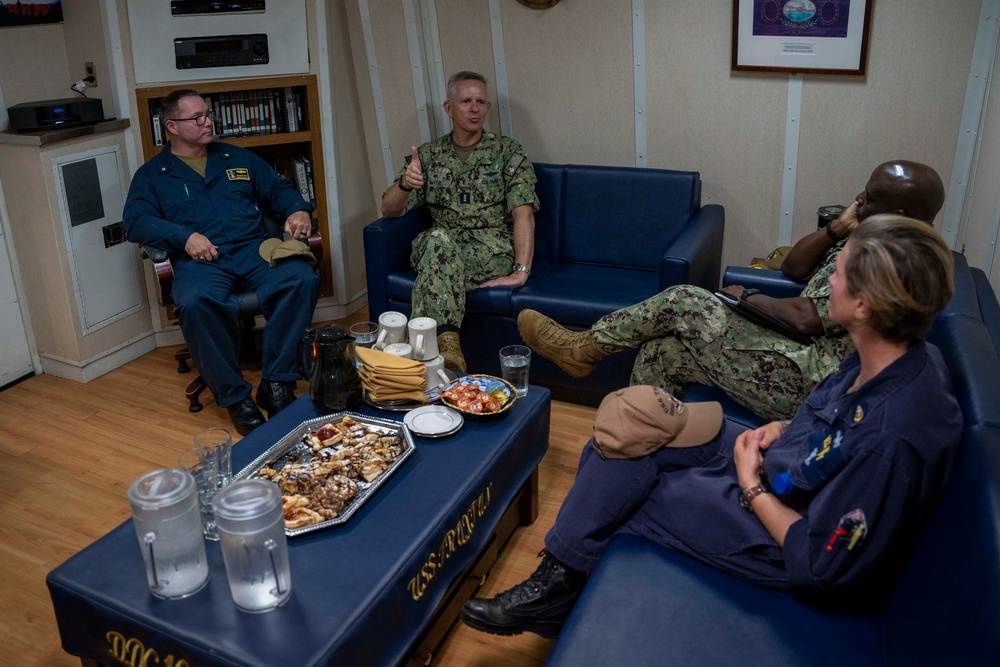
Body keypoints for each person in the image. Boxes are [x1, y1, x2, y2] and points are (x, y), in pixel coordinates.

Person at [462, 214, 961, 638]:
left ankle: (556, 586)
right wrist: (779, 430)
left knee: (632, 490)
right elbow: (824, 422)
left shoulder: (889, 441)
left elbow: (821, 563)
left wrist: (750, 485)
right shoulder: (888, 351)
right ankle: (557, 579)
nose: (828, 281)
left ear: (865, 305)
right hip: (775, 466)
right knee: (628, 428)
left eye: (841, 273)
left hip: (779, 525)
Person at [518, 160, 946, 420]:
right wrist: (840, 226)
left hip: (811, 380)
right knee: (663, 350)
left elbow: (810, 318)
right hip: (796, 353)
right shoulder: (871, 235)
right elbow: (796, 266)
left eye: (868, 196)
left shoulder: (901, 260)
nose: (858, 197)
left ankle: (585, 349)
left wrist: (748, 299)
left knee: (685, 300)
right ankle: (638, 443)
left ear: (901, 212)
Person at [124, 89, 319, 436]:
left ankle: (276, 382)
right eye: (196, 118)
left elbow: (279, 188)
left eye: (207, 114)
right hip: (202, 260)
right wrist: (184, 236)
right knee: (195, 301)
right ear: (171, 126)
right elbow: (135, 222)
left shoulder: (236, 157)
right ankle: (235, 398)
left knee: (300, 279)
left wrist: (298, 208)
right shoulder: (152, 175)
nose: (207, 122)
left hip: (254, 250)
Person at [379, 71, 539, 372]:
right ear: (448, 108)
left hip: (489, 250)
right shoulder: (427, 155)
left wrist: (521, 272)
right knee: (439, 241)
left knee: (435, 267)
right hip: (440, 242)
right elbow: (389, 211)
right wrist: (405, 183)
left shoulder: (508, 152)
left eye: (480, 101)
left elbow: (524, 213)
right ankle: (447, 346)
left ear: (488, 107)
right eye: (466, 101)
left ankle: (420, 350)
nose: (475, 108)